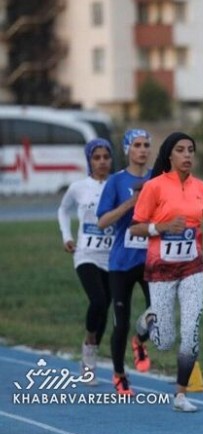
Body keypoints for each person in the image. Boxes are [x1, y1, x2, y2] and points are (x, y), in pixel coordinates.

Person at [131, 132, 203, 413]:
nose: (187, 155)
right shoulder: (154, 187)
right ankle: (147, 320)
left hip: (193, 267)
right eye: (180, 150)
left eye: (191, 150)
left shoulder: (202, 188)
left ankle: (180, 395)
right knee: (164, 340)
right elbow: (136, 227)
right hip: (161, 269)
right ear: (169, 155)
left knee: (191, 329)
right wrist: (162, 227)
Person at [97, 129, 153, 396]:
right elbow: (102, 221)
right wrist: (132, 202)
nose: (142, 150)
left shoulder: (158, 178)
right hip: (121, 262)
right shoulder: (116, 182)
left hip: (152, 260)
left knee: (159, 314)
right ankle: (119, 374)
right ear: (128, 149)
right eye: (137, 145)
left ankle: (140, 339)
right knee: (121, 321)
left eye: (146, 145)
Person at [57, 138, 115, 385]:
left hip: (112, 257)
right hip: (85, 254)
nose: (102, 162)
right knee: (98, 301)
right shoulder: (79, 187)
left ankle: (91, 353)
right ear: (89, 160)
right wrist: (67, 236)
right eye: (96, 157)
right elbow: (63, 210)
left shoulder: (118, 185)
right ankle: (89, 347)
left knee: (105, 309)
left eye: (106, 157)